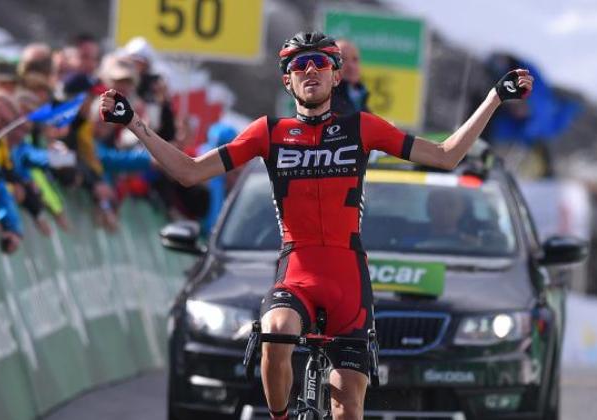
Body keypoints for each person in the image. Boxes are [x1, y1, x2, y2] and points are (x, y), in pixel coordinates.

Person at [99, 31, 533, 420]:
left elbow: (445, 156)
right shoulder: (268, 131)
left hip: (348, 276)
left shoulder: (361, 127)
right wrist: (134, 123)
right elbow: (190, 172)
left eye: (320, 63)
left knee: (348, 406)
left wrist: (495, 97)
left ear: (335, 76)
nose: (309, 70)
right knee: (276, 331)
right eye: (297, 65)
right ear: (287, 81)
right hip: (298, 269)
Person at [331, 39, 370, 115]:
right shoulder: (325, 102)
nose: (351, 65)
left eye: (355, 59)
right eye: (343, 59)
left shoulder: (361, 96)